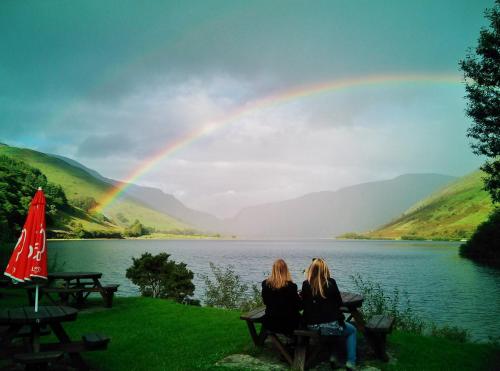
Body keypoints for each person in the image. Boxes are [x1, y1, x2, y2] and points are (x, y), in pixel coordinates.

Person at [301, 258, 357, 370]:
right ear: (325, 270)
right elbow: (339, 303)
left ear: (311, 269)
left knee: (332, 329)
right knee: (351, 330)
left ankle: (333, 357)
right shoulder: (331, 282)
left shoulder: (306, 284)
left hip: (312, 326)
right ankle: (350, 362)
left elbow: (304, 305)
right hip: (332, 326)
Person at [261, 259, 302, 336]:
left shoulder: (265, 284)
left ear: (273, 270)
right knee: (302, 320)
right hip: (289, 323)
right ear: (286, 270)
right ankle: (296, 342)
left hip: (270, 322)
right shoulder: (292, 286)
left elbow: (265, 302)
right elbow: (299, 306)